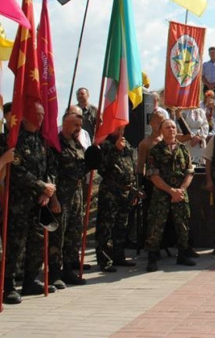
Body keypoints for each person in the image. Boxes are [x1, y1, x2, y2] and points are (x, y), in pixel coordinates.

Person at [3, 102, 53, 304]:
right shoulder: (16, 140)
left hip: (39, 201)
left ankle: (30, 280)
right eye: (37, 114)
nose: (41, 118)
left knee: (37, 241)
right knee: (16, 243)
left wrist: (48, 189)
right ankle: (8, 286)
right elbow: (17, 171)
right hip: (19, 201)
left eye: (42, 114)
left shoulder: (40, 140)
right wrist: (42, 186)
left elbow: (49, 167)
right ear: (26, 116)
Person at [144, 119, 196, 272]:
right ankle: (152, 257)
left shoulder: (183, 149)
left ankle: (183, 254)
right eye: (168, 127)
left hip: (180, 194)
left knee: (183, 225)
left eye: (173, 127)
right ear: (162, 130)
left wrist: (180, 190)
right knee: (156, 226)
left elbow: (189, 172)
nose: (171, 130)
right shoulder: (154, 151)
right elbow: (153, 176)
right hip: (161, 194)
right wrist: (170, 191)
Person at [49, 111, 90, 287]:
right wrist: (54, 200)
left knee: (73, 234)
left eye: (80, 126)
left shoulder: (77, 143)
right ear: (65, 124)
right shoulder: (55, 145)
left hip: (76, 196)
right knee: (58, 236)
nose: (78, 129)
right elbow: (51, 174)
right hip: (61, 197)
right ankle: (54, 273)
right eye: (75, 125)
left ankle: (68, 270)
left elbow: (81, 169)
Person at [96, 126, 138, 273]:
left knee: (122, 226)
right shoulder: (105, 145)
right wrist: (116, 150)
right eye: (117, 127)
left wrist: (134, 191)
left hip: (126, 192)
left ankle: (119, 256)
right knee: (106, 227)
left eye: (122, 128)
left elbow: (132, 168)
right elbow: (103, 168)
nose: (120, 131)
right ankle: (105, 260)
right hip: (110, 191)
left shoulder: (127, 145)